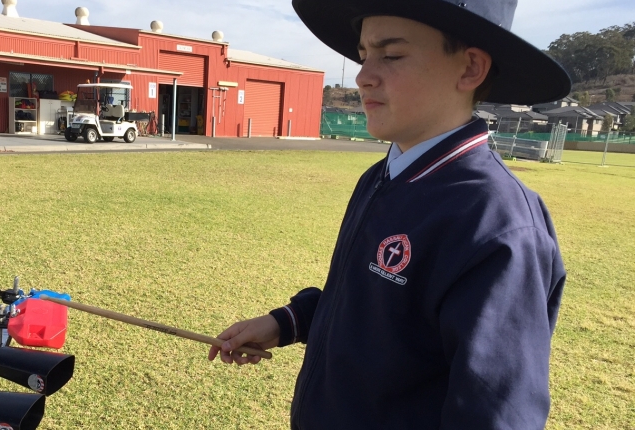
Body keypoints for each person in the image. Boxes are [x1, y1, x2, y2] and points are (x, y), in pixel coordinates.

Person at [207, 1, 569, 428]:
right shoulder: (383, 176)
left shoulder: (497, 223)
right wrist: (288, 321)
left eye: (391, 55)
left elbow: (495, 413)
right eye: (363, 55)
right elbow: (377, 309)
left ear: (470, 68)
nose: (363, 76)